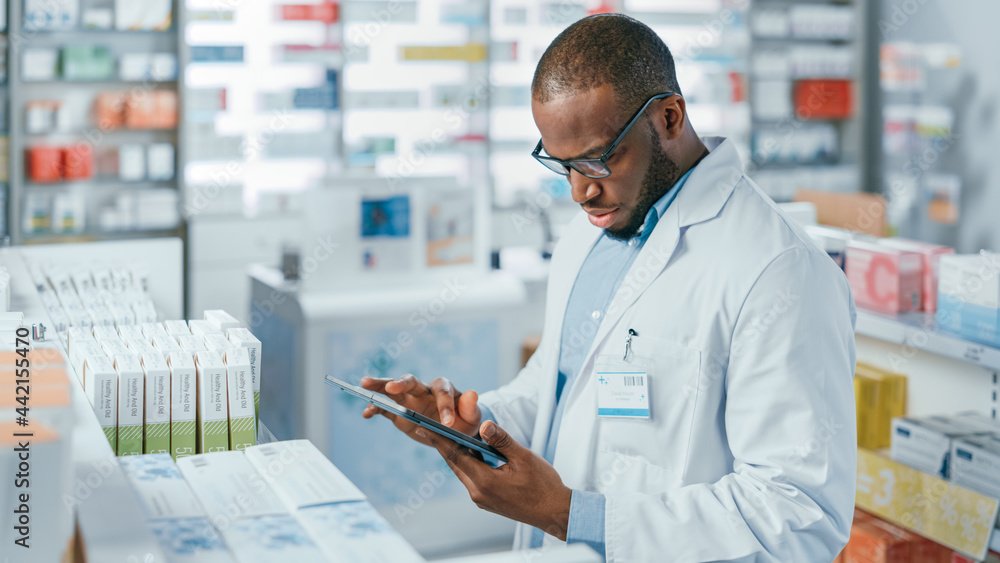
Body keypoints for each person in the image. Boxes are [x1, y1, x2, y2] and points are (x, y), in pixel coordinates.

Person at [361, 13, 857, 562]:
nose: (580, 192)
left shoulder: (780, 270)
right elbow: (558, 390)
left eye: (599, 158)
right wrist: (466, 424)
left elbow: (798, 513)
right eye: (562, 164)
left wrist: (570, 514)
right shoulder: (590, 235)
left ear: (669, 117)